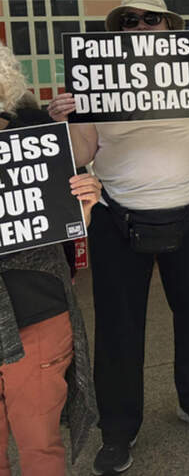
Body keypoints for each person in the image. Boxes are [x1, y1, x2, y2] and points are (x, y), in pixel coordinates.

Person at [47, 0, 189, 475]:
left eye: (151, 19)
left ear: (170, 27)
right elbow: (84, 150)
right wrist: (69, 121)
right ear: (116, 29)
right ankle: (117, 430)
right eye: (128, 19)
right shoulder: (93, 76)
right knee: (118, 326)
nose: (139, 26)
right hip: (117, 214)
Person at [0, 40, 100, 474]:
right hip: (34, 310)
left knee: (40, 446)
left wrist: (86, 204)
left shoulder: (33, 138)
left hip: (34, 313)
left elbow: (66, 223)